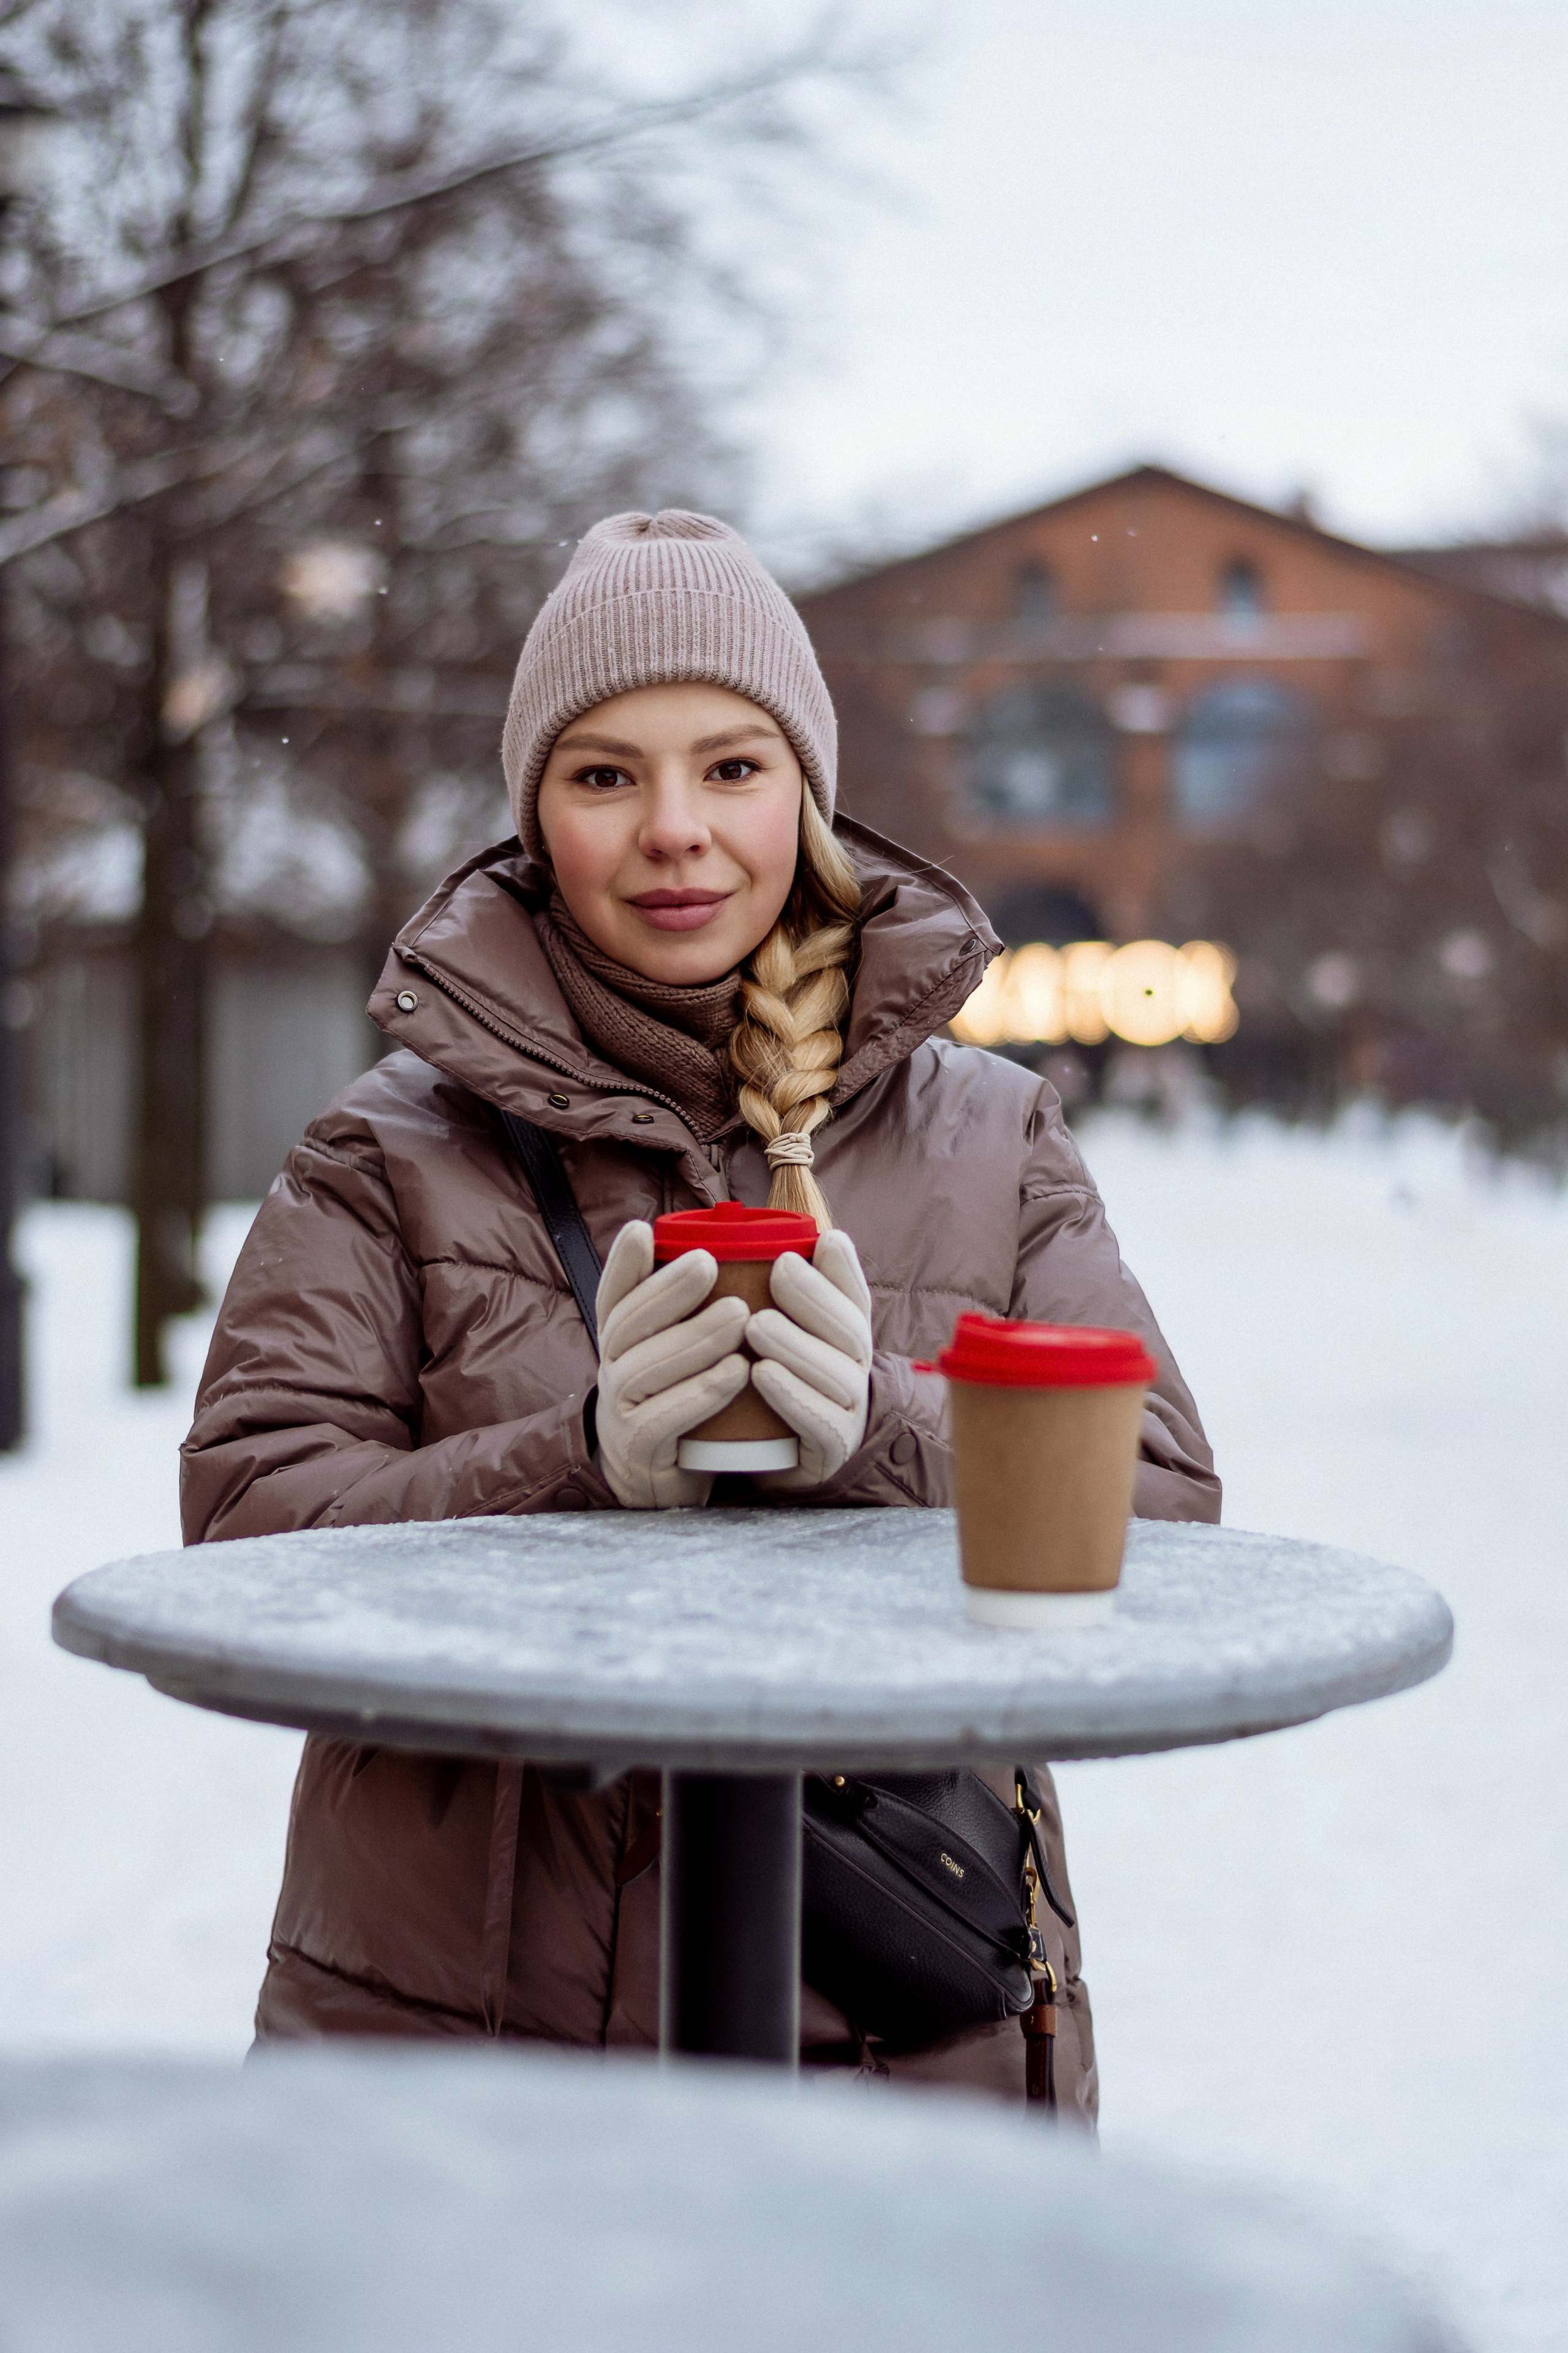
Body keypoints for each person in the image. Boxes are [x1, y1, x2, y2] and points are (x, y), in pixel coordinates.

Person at [182, 510, 1219, 2120]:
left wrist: (881, 1425)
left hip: (896, 2038)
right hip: (453, 2065)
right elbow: (249, 1539)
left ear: (805, 791)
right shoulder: (386, 1153)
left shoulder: (993, 1136)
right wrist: (581, 1457)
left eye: (731, 767)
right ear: (536, 816)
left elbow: (1165, 1509)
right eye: (605, 775)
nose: (677, 830)